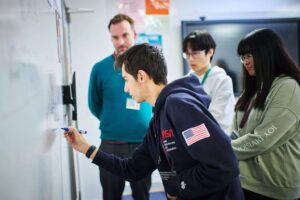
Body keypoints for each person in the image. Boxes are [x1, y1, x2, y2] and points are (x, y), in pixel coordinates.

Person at [66, 43, 244, 200]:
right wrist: (85, 149)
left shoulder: (179, 107)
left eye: (126, 80)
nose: (126, 88)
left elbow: (224, 166)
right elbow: (133, 169)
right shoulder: (158, 119)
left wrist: (177, 187)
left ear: (141, 76)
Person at [88, 14, 152, 200]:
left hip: (142, 144)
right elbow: (94, 104)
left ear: (134, 34)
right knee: (110, 196)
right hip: (111, 146)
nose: (121, 41)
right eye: (115, 37)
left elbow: (157, 99)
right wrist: (113, 120)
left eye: (125, 35)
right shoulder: (100, 69)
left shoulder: (149, 65)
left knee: (142, 195)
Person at [231, 28, 300, 199]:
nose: (245, 62)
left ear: (268, 53)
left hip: (274, 189)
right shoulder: (254, 89)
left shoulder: (287, 87)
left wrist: (222, 150)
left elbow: (262, 139)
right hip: (245, 181)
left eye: (249, 55)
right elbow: (236, 132)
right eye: (243, 57)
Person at [183, 30, 236, 135]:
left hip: (216, 140)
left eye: (195, 53)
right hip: (191, 141)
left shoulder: (222, 81)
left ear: (210, 52)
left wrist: (186, 136)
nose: (190, 59)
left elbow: (214, 120)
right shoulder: (185, 81)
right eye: (187, 54)